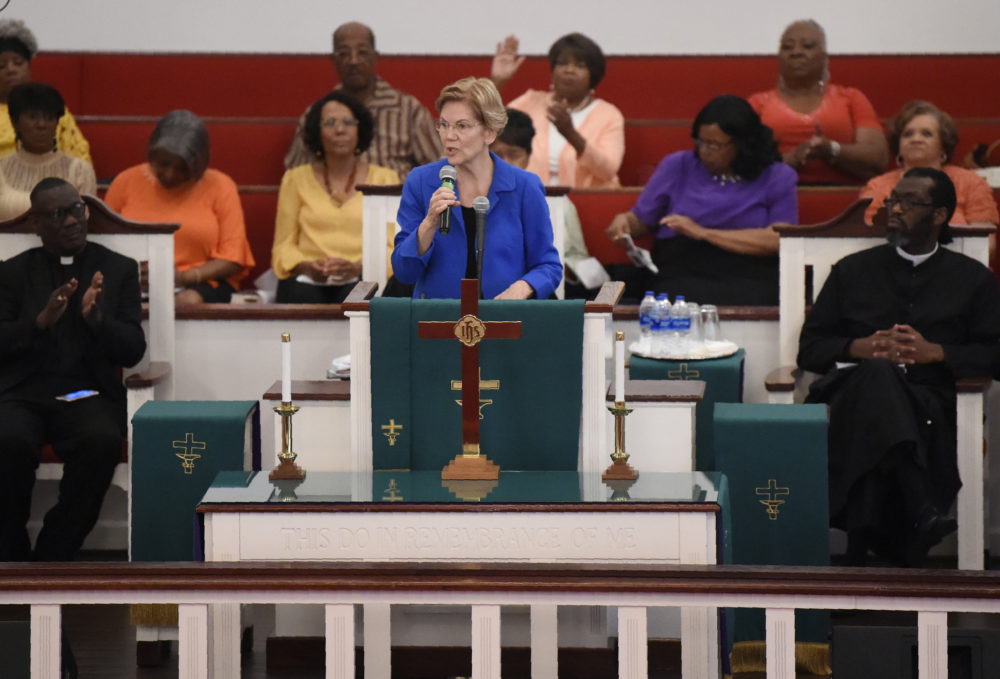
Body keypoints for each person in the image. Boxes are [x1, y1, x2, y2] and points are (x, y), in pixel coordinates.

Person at [798, 168, 1000, 567]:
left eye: (909, 202)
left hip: (929, 407)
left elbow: (996, 353)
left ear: (940, 215)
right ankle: (918, 514)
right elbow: (811, 348)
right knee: (876, 373)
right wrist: (861, 347)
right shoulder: (852, 270)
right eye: (893, 200)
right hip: (848, 399)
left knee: (881, 396)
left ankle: (859, 553)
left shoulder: (972, 279)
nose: (895, 209)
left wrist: (937, 353)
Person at [0, 178, 146, 561]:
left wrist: (98, 320)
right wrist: (39, 323)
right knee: (7, 439)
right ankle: (11, 552)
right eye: (57, 215)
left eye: (76, 210)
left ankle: (54, 552)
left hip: (86, 394)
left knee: (101, 439)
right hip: (24, 395)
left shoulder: (118, 270)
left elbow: (133, 350)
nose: (71, 221)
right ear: (36, 224)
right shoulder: (12, 273)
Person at [605, 95, 798, 306]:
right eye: (700, 141)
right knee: (672, 298)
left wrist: (703, 232)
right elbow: (642, 220)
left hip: (749, 271)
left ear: (742, 144)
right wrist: (626, 222)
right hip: (682, 267)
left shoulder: (776, 176)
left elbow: (778, 239)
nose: (704, 151)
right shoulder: (678, 165)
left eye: (714, 145)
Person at [393, 77, 562, 300]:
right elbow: (404, 272)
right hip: (437, 321)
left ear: (489, 132)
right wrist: (428, 224)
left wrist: (522, 288)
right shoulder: (421, 182)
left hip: (506, 320)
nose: (449, 135)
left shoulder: (524, 187)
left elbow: (548, 266)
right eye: (443, 124)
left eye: (462, 126)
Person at [104, 110, 255, 307]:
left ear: (199, 165)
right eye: (163, 164)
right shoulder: (125, 182)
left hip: (199, 282)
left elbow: (232, 259)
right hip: (133, 281)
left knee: (186, 302)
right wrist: (130, 272)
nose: (169, 174)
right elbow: (103, 244)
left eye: (183, 168)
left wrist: (184, 277)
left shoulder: (221, 186)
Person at [272, 91, 400, 303]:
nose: (340, 129)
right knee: (299, 294)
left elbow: (394, 246)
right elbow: (283, 246)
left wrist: (359, 267)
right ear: (317, 132)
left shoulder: (385, 178)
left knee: (360, 297)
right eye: (330, 123)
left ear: (360, 130)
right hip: (308, 278)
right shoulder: (295, 179)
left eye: (348, 122)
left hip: (365, 275)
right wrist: (307, 267)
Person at [283, 22, 441, 178]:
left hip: (396, 200)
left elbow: (440, 168)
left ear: (375, 58)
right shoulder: (318, 115)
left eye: (362, 53)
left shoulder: (408, 110)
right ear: (333, 60)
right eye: (344, 54)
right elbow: (295, 175)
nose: (353, 61)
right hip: (333, 200)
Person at [748, 20, 887, 185]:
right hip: (771, 200)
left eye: (807, 46)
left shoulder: (851, 98)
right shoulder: (757, 104)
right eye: (787, 47)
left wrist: (831, 150)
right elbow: (740, 165)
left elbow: (878, 159)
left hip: (846, 200)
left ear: (823, 57)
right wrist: (791, 159)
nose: (796, 52)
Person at [491, 33, 624, 188]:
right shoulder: (530, 101)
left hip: (585, 202)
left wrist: (571, 134)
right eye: (562, 63)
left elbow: (608, 170)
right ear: (552, 72)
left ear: (593, 75)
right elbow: (484, 126)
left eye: (579, 66)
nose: (569, 70)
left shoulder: (608, 115)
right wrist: (497, 82)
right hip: (530, 196)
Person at [490, 107, 595, 298]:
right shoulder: (473, 200)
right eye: (497, 154)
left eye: (513, 155)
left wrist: (564, 267)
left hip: (537, 296)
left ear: (529, 156)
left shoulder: (559, 203)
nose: (505, 163)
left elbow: (580, 259)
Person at [859, 100, 999, 229]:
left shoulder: (971, 182)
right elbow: (866, 238)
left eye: (926, 134)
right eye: (908, 134)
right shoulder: (877, 187)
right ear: (898, 145)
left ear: (943, 145)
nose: (916, 139)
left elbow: (986, 245)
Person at [0, 83, 96, 220]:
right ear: (15, 122)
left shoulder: (80, 170)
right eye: (33, 117)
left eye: (49, 118)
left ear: (57, 123)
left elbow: (84, 225)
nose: (41, 125)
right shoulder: (1, 168)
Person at [0, 19, 90, 163]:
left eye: (18, 63)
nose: (11, 70)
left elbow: (79, 163)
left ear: (29, 68)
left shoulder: (51, 108)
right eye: (1, 65)